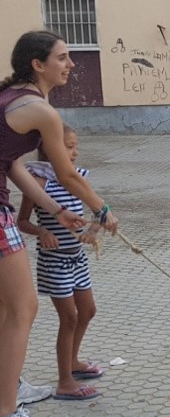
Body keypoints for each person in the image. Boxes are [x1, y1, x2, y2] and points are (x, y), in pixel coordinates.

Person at [1, 30, 116, 417]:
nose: (70, 64)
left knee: (9, 310)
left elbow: (12, 165)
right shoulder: (39, 110)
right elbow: (64, 174)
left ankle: (9, 388)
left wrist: (57, 210)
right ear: (38, 64)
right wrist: (101, 209)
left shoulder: (15, 98)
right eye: (63, 58)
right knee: (22, 310)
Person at [16, 125, 104, 401]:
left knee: (87, 311)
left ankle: (74, 362)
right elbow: (22, 221)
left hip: (77, 258)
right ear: (49, 149)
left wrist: (92, 232)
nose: (75, 152)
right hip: (54, 262)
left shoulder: (77, 179)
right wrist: (42, 232)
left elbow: (97, 213)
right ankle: (65, 382)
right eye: (68, 147)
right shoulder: (38, 183)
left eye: (76, 146)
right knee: (69, 318)